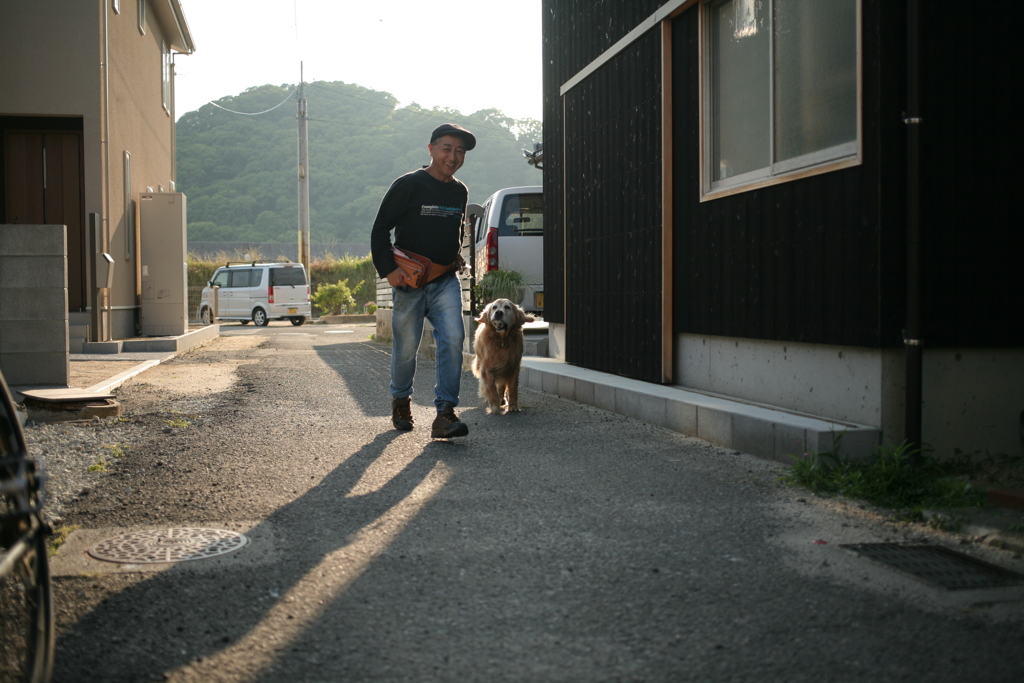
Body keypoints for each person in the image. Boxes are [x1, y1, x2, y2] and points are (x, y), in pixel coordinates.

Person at [371, 123, 476, 438]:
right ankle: (401, 400)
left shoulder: (460, 191)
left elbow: (455, 228)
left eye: (460, 151)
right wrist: (389, 271)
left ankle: (445, 414)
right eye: (447, 149)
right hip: (409, 282)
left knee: (453, 340)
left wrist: (455, 255)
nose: (453, 156)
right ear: (431, 149)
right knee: (406, 349)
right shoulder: (409, 184)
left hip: (445, 280)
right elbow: (380, 229)